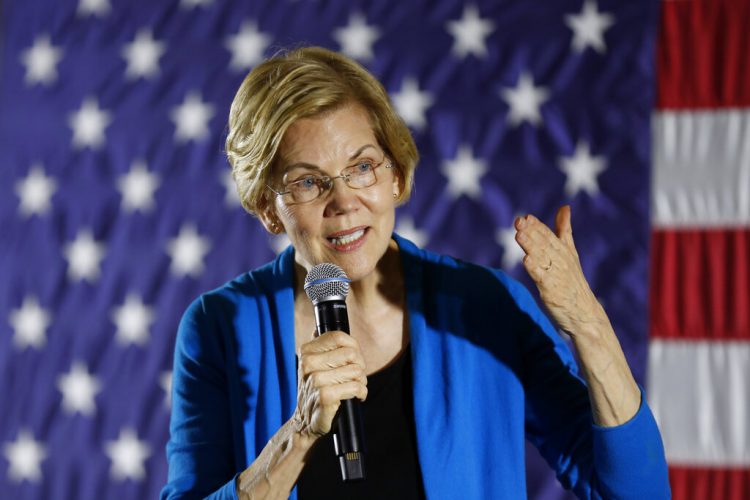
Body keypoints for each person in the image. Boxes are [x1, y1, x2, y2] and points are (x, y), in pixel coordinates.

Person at [161, 46, 670, 499]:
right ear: (269, 208)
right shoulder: (218, 327)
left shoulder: (487, 304)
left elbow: (632, 493)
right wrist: (301, 434)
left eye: (362, 167)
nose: (344, 202)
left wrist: (589, 326)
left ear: (396, 175)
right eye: (308, 183)